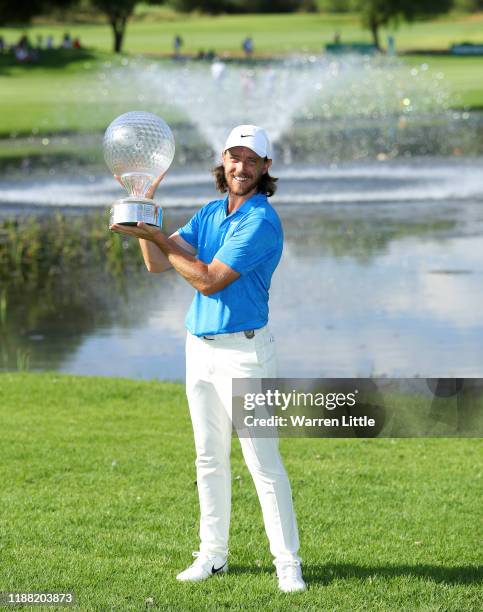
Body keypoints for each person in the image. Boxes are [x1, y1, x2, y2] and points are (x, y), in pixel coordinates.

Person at [110, 125, 306, 593]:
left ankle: (288, 565)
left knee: (263, 462)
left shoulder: (260, 220)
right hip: (199, 350)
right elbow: (157, 263)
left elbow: (208, 280)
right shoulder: (210, 212)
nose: (241, 167)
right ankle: (213, 556)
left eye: (251, 159)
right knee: (207, 458)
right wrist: (144, 210)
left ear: (265, 168)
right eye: (234, 158)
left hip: (245, 354)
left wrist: (157, 233)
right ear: (224, 161)